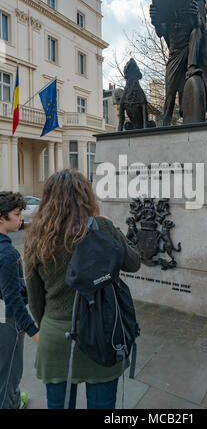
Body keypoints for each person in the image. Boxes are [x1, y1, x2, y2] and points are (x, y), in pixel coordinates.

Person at [24, 169, 141, 409]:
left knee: (58, 405)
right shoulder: (101, 227)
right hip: (101, 334)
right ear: (86, 196)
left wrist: (49, 327)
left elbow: (35, 302)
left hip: (55, 337)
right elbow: (134, 262)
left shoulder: (36, 236)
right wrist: (109, 225)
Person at [0, 192, 39, 410]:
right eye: (15, 214)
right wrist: (34, 332)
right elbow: (13, 300)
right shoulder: (8, 254)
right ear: (0, 217)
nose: (20, 218)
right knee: (9, 372)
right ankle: (11, 402)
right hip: (7, 322)